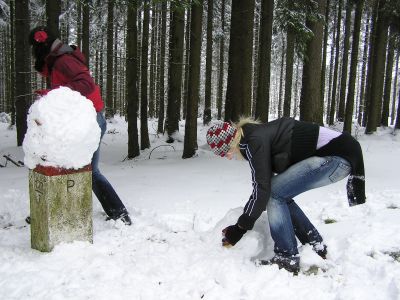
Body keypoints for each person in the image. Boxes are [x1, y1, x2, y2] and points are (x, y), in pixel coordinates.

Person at [206, 117, 366, 274]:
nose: (227, 156)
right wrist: (243, 222)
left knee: (274, 194)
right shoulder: (254, 135)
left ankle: (287, 257)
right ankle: (315, 245)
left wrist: (239, 228)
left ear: (230, 141)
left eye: (225, 151)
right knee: (279, 192)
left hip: (338, 159)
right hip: (339, 157)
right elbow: (262, 187)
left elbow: (263, 190)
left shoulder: (254, 140)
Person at [29, 26, 132, 225]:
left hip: (89, 121)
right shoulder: (58, 59)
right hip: (79, 120)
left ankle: (119, 213)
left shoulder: (64, 60)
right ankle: (50, 208)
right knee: (62, 163)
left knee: (89, 171)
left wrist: (53, 93)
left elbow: (86, 84)